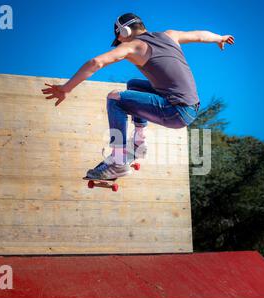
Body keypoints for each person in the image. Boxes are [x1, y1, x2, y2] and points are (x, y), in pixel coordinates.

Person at [42, 13, 234, 179]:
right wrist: (220, 38)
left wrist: (67, 88)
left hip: (175, 111)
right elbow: (200, 35)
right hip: (190, 107)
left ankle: (117, 163)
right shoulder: (170, 35)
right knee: (133, 85)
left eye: (119, 40)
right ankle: (139, 144)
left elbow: (96, 62)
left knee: (115, 98)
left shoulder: (134, 46)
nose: (120, 44)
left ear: (123, 32)